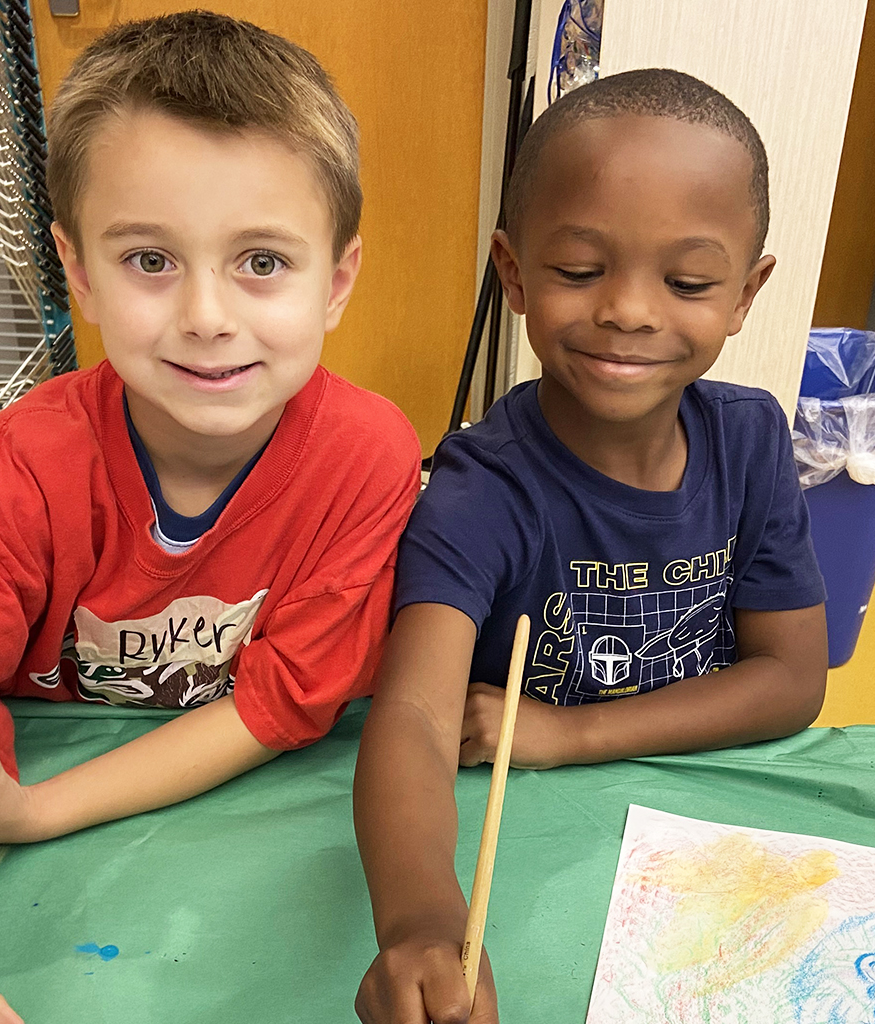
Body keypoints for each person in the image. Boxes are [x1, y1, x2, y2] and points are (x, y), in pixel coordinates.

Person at [0, 13, 421, 1024]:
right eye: (149, 261)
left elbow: (274, 708)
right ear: (79, 270)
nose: (208, 316)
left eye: (262, 261)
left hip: (216, 831)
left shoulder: (369, 456)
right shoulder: (22, 465)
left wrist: (42, 809)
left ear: (338, 280)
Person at [351, 68, 829, 1024]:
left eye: (688, 281)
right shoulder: (481, 489)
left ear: (746, 292)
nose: (631, 311)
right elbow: (411, 720)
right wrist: (422, 921)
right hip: (526, 848)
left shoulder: (750, 440)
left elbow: (792, 680)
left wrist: (569, 733)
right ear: (514, 272)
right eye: (579, 271)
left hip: (702, 848)